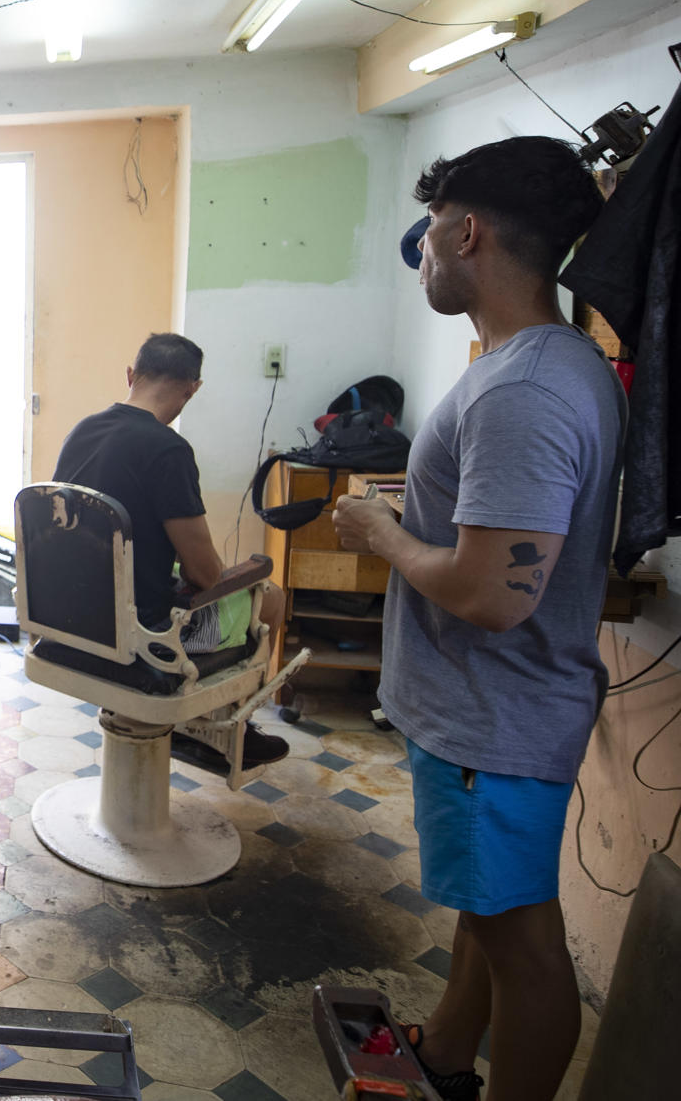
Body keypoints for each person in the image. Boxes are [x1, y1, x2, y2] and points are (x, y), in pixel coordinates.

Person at [332, 136, 619, 1101]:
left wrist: (382, 533)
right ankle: (446, 1061)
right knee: (484, 914)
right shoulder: (533, 365)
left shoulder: (527, 390)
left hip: (492, 720)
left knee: (523, 941)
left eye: (427, 242)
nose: (423, 260)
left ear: (468, 231)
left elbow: (495, 594)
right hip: (484, 716)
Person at [54, 332, 289, 769]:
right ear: (191, 389)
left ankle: (195, 724)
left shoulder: (81, 431)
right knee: (269, 597)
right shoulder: (169, 450)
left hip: (68, 622)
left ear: (131, 375)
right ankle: (225, 730)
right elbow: (205, 576)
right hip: (140, 637)